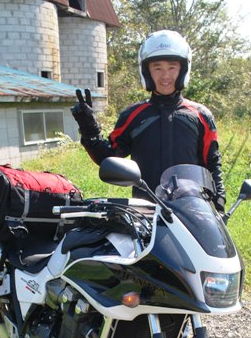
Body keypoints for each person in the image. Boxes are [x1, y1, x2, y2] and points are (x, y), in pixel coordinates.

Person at [71, 29, 226, 211]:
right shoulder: (132, 115)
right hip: (146, 212)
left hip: (191, 210)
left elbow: (212, 163)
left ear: (183, 69)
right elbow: (109, 158)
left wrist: (219, 203)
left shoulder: (201, 115)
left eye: (172, 67)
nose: (165, 75)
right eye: (157, 68)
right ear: (147, 71)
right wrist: (89, 127)